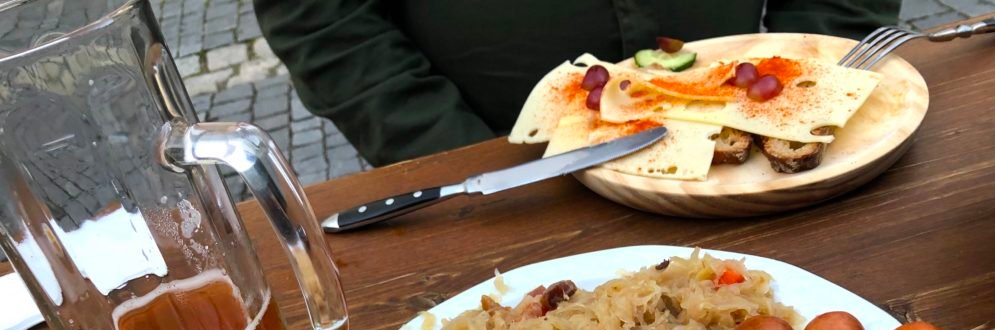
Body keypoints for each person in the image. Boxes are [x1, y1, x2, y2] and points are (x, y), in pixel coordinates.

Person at [254, 1, 900, 168]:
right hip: (507, 182)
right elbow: (325, 20)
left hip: (768, 158)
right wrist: (453, 160)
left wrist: (813, 85)